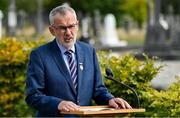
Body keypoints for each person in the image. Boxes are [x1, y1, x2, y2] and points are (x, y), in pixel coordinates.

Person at [25, 5, 132, 117]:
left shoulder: (88, 51)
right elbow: (33, 96)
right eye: (62, 28)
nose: (68, 32)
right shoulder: (40, 55)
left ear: (77, 25)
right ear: (52, 30)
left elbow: (98, 90)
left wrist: (110, 100)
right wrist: (58, 104)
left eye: (71, 26)